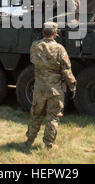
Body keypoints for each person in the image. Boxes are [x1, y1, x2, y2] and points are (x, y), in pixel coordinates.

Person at [25, 22, 77, 150]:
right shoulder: (60, 48)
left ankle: (29, 140)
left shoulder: (34, 46)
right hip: (55, 89)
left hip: (39, 87)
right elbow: (66, 69)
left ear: (43, 32)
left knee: (36, 114)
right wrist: (72, 85)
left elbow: (33, 60)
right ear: (55, 34)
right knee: (53, 117)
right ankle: (48, 145)